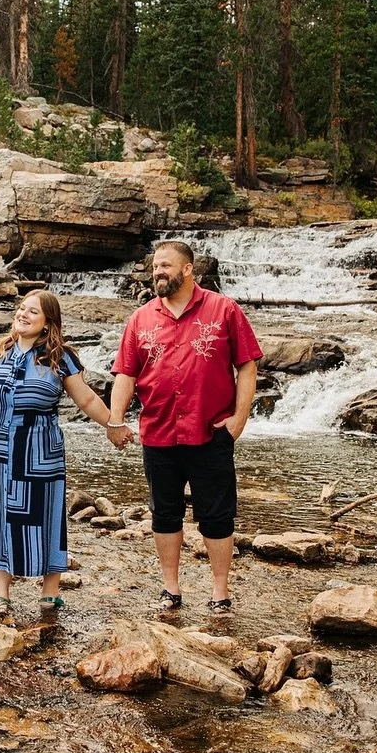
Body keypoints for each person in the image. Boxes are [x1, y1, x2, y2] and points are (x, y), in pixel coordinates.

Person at [107, 240, 262, 616]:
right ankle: (170, 588)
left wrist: (239, 419)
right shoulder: (141, 318)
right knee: (164, 513)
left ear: (189, 269)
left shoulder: (224, 310)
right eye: (155, 266)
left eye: (165, 265)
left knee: (217, 515)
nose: (158, 272)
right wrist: (115, 419)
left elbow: (247, 365)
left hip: (211, 433)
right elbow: (126, 374)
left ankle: (220, 592)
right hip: (158, 433)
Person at [0, 290, 116, 617]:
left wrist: (115, 424)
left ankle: (50, 591)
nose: (23, 314)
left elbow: (87, 401)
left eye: (33, 312)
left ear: (47, 323)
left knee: (46, 514)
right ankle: (1, 593)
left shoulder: (60, 356)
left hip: (41, 449)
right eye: (21, 308)